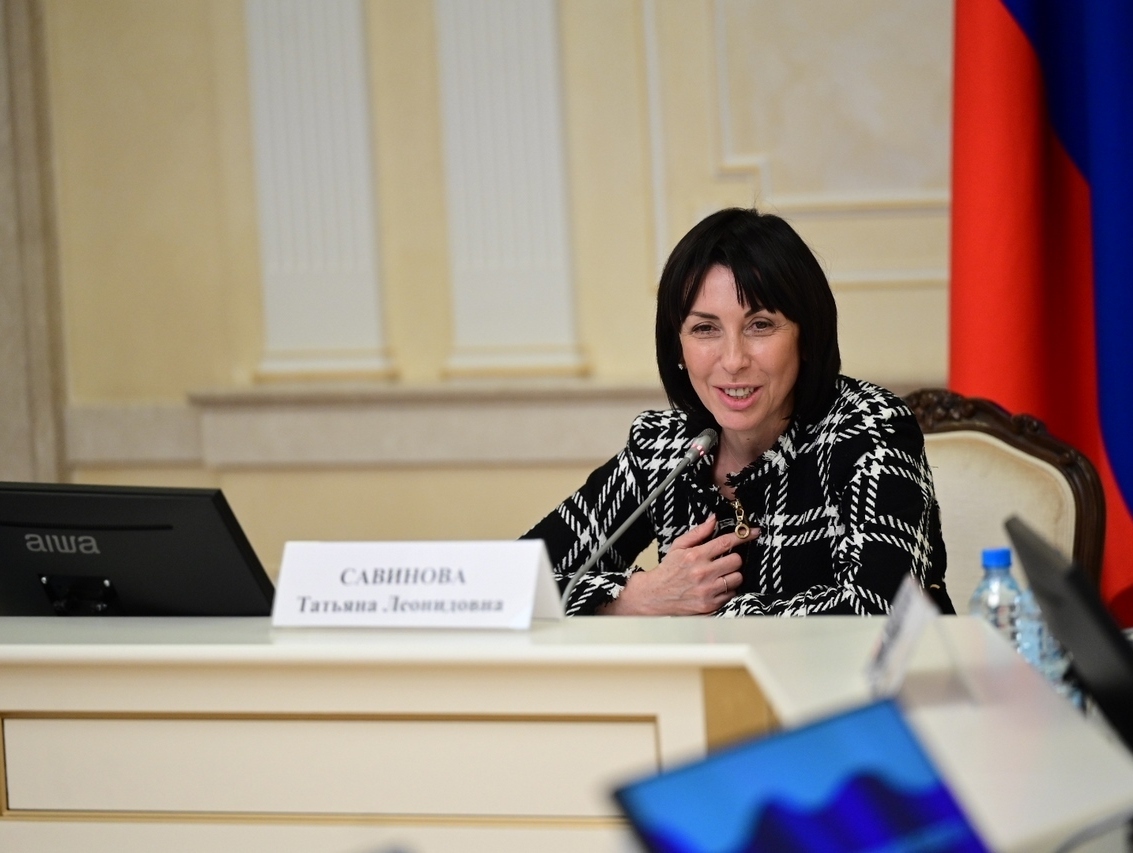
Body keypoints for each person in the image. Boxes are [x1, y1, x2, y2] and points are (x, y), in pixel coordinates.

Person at [524, 207, 953, 616]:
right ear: (678, 348)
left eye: (759, 325)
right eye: (705, 328)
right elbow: (509, 582)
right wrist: (638, 597)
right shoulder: (664, 448)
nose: (733, 360)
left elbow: (879, 610)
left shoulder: (872, 430)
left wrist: (712, 614)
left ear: (807, 337)